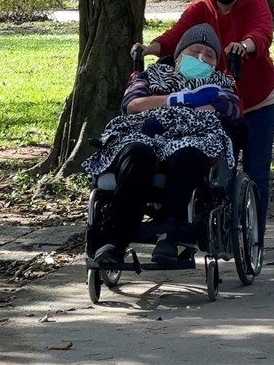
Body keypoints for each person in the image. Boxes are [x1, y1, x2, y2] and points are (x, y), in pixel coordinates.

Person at [131, 0, 274, 241]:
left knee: (256, 168)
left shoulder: (256, 5)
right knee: (220, 167)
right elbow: (175, 37)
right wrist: (149, 49)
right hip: (214, 104)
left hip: (258, 101)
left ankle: (254, 236)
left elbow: (262, 33)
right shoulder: (200, 10)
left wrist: (244, 46)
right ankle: (215, 224)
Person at [84, 23, 241, 265]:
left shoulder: (220, 84)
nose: (201, 58)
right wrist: (179, 100)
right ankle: (114, 241)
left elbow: (226, 108)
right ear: (177, 58)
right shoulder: (151, 76)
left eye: (209, 55)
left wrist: (172, 112)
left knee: (188, 151)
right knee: (137, 152)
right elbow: (133, 104)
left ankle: (171, 235)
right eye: (194, 52)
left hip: (192, 138)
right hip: (146, 134)